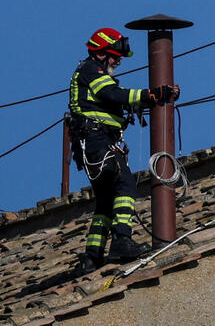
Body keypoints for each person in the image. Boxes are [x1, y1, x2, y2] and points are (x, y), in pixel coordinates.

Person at [68, 28, 180, 272]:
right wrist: (150, 95)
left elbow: (109, 99)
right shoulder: (91, 70)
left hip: (94, 143)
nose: (118, 61)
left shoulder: (89, 71)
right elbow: (112, 94)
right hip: (97, 141)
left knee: (106, 202)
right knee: (125, 184)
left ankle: (92, 256)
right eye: (114, 56)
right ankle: (122, 239)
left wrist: (144, 100)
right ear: (101, 54)